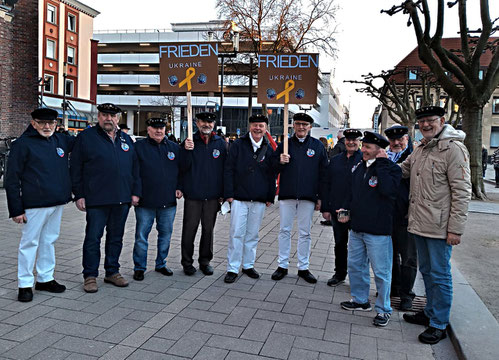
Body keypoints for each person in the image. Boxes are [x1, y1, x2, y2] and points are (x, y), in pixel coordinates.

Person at [400, 106, 471, 344]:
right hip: (419, 223)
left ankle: (439, 323)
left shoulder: (453, 149)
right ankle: (430, 312)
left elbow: (462, 192)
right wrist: (376, 161)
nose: (426, 125)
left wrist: (455, 229)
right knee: (427, 271)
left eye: (430, 120)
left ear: (442, 120)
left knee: (440, 275)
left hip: (440, 227)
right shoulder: (420, 148)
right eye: (421, 122)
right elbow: (403, 171)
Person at [5, 108, 73, 302]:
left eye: (51, 123)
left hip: (57, 202)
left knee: (49, 241)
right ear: (33, 123)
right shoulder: (22, 145)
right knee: (29, 243)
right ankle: (25, 284)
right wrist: (16, 209)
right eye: (42, 123)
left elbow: (85, 143)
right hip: (34, 204)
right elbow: (12, 179)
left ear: (56, 124)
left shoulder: (60, 140)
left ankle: (45, 278)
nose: (47, 126)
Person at [71, 103, 139, 293]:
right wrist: (79, 194)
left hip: (121, 198)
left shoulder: (126, 139)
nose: (108, 118)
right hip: (96, 199)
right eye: (104, 115)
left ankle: (112, 271)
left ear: (118, 118)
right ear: (98, 117)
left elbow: (135, 169)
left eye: (112, 116)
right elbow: (75, 168)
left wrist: (135, 192)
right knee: (93, 238)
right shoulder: (86, 138)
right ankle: (90, 275)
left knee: (116, 237)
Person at [339, 131, 401, 327]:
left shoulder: (390, 168)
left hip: (378, 231)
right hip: (357, 227)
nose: (363, 150)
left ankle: (383, 309)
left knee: (381, 272)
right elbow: (353, 193)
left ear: (379, 150)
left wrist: (382, 164)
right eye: (363, 146)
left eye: (367, 147)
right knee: (356, 266)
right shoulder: (359, 167)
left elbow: (388, 191)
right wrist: (346, 209)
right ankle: (360, 300)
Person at [271, 113, 328, 284]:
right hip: (287, 194)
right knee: (284, 230)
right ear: (293, 126)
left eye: (304, 124)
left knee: (305, 233)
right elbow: (271, 168)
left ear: (310, 127)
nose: (301, 127)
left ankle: (303, 267)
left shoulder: (317, 146)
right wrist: (279, 161)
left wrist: (320, 197)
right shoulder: (285, 145)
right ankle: (282, 265)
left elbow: (324, 174)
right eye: (298, 124)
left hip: (308, 196)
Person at [223, 114, 276, 283]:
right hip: (239, 197)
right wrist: (229, 194)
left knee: (252, 235)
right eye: (254, 125)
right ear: (250, 126)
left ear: (265, 128)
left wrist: (269, 196)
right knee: (236, 234)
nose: (257, 128)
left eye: (261, 125)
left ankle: (248, 265)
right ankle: (232, 268)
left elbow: (271, 174)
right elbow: (229, 169)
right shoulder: (238, 144)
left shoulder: (269, 148)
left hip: (259, 199)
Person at [132, 118, 182, 281]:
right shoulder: (138, 147)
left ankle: (161, 263)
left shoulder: (174, 148)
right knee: (141, 236)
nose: (158, 131)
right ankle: (139, 267)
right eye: (155, 128)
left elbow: (182, 170)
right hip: (145, 201)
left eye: (161, 128)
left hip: (167, 202)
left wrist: (180, 187)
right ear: (148, 129)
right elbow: (134, 173)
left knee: (166, 235)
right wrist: (135, 193)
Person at [179, 112, 227, 276]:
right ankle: (187, 262)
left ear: (213, 124)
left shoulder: (220, 143)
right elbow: (181, 168)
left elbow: (225, 170)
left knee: (208, 230)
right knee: (189, 230)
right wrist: (186, 151)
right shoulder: (189, 142)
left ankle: (205, 261)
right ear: (197, 123)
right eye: (203, 122)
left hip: (212, 196)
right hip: (193, 194)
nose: (206, 124)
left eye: (209, 122)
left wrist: (224, 193)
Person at [321, 128, 363, 287]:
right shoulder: (336, 159)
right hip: (337, 209)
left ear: (359, 142)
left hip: (357, 210)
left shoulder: (364, 159)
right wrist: (325, 207)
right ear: (344, 141)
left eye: (355, 139)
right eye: (348, 139)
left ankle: (358, 277)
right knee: (340, 243)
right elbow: (326, 183)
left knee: (359, 246)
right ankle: (339, 273)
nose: (351, 142)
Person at [384, 125, 417, 311]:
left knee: (409, 257)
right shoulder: (384, 157)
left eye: (401, 139)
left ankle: (407, 295)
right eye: (393, 140)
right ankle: (394, 288)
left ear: (407, 138)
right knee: (391, 255)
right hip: (388, 214)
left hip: (407, 215)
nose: (396, 143)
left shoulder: (416, 156)